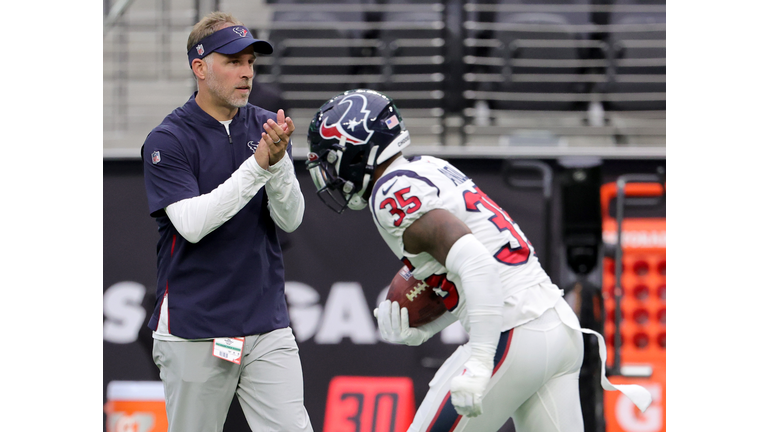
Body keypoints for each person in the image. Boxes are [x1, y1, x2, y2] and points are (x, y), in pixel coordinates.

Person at [305, 89, 651, 432]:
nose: (331, 171)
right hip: (556, 325)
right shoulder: (429, 167)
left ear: (357, 149)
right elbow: (477, 272)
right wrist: (427, 328)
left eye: (332, 158)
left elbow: (476, 264)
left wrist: (481, 361)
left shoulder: (390, 192)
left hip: (514, 333)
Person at [141, 11, 312, 432]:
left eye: (250, 62)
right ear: (199, 67)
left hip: (265, 323)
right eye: (233, 61)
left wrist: (279, 168)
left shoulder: (265, 124)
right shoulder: (168, 139)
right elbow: (194, 224)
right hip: (194, 328)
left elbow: (290, 220)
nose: (246, 73)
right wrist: (259, 166)